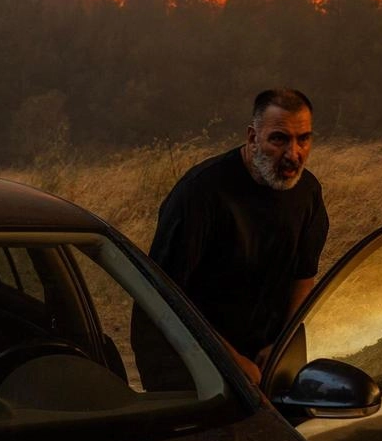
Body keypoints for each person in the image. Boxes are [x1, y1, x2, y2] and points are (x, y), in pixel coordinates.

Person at [132, 89, 328, 388]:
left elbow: (303, 276)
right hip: (192, 355)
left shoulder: (307, 192)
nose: (293, 154)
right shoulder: (200, 195)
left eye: (303, 139)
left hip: (271, 356)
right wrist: (231, 361)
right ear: (252, 137)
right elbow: (165, 297)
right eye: (279, 139)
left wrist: (283, 343)